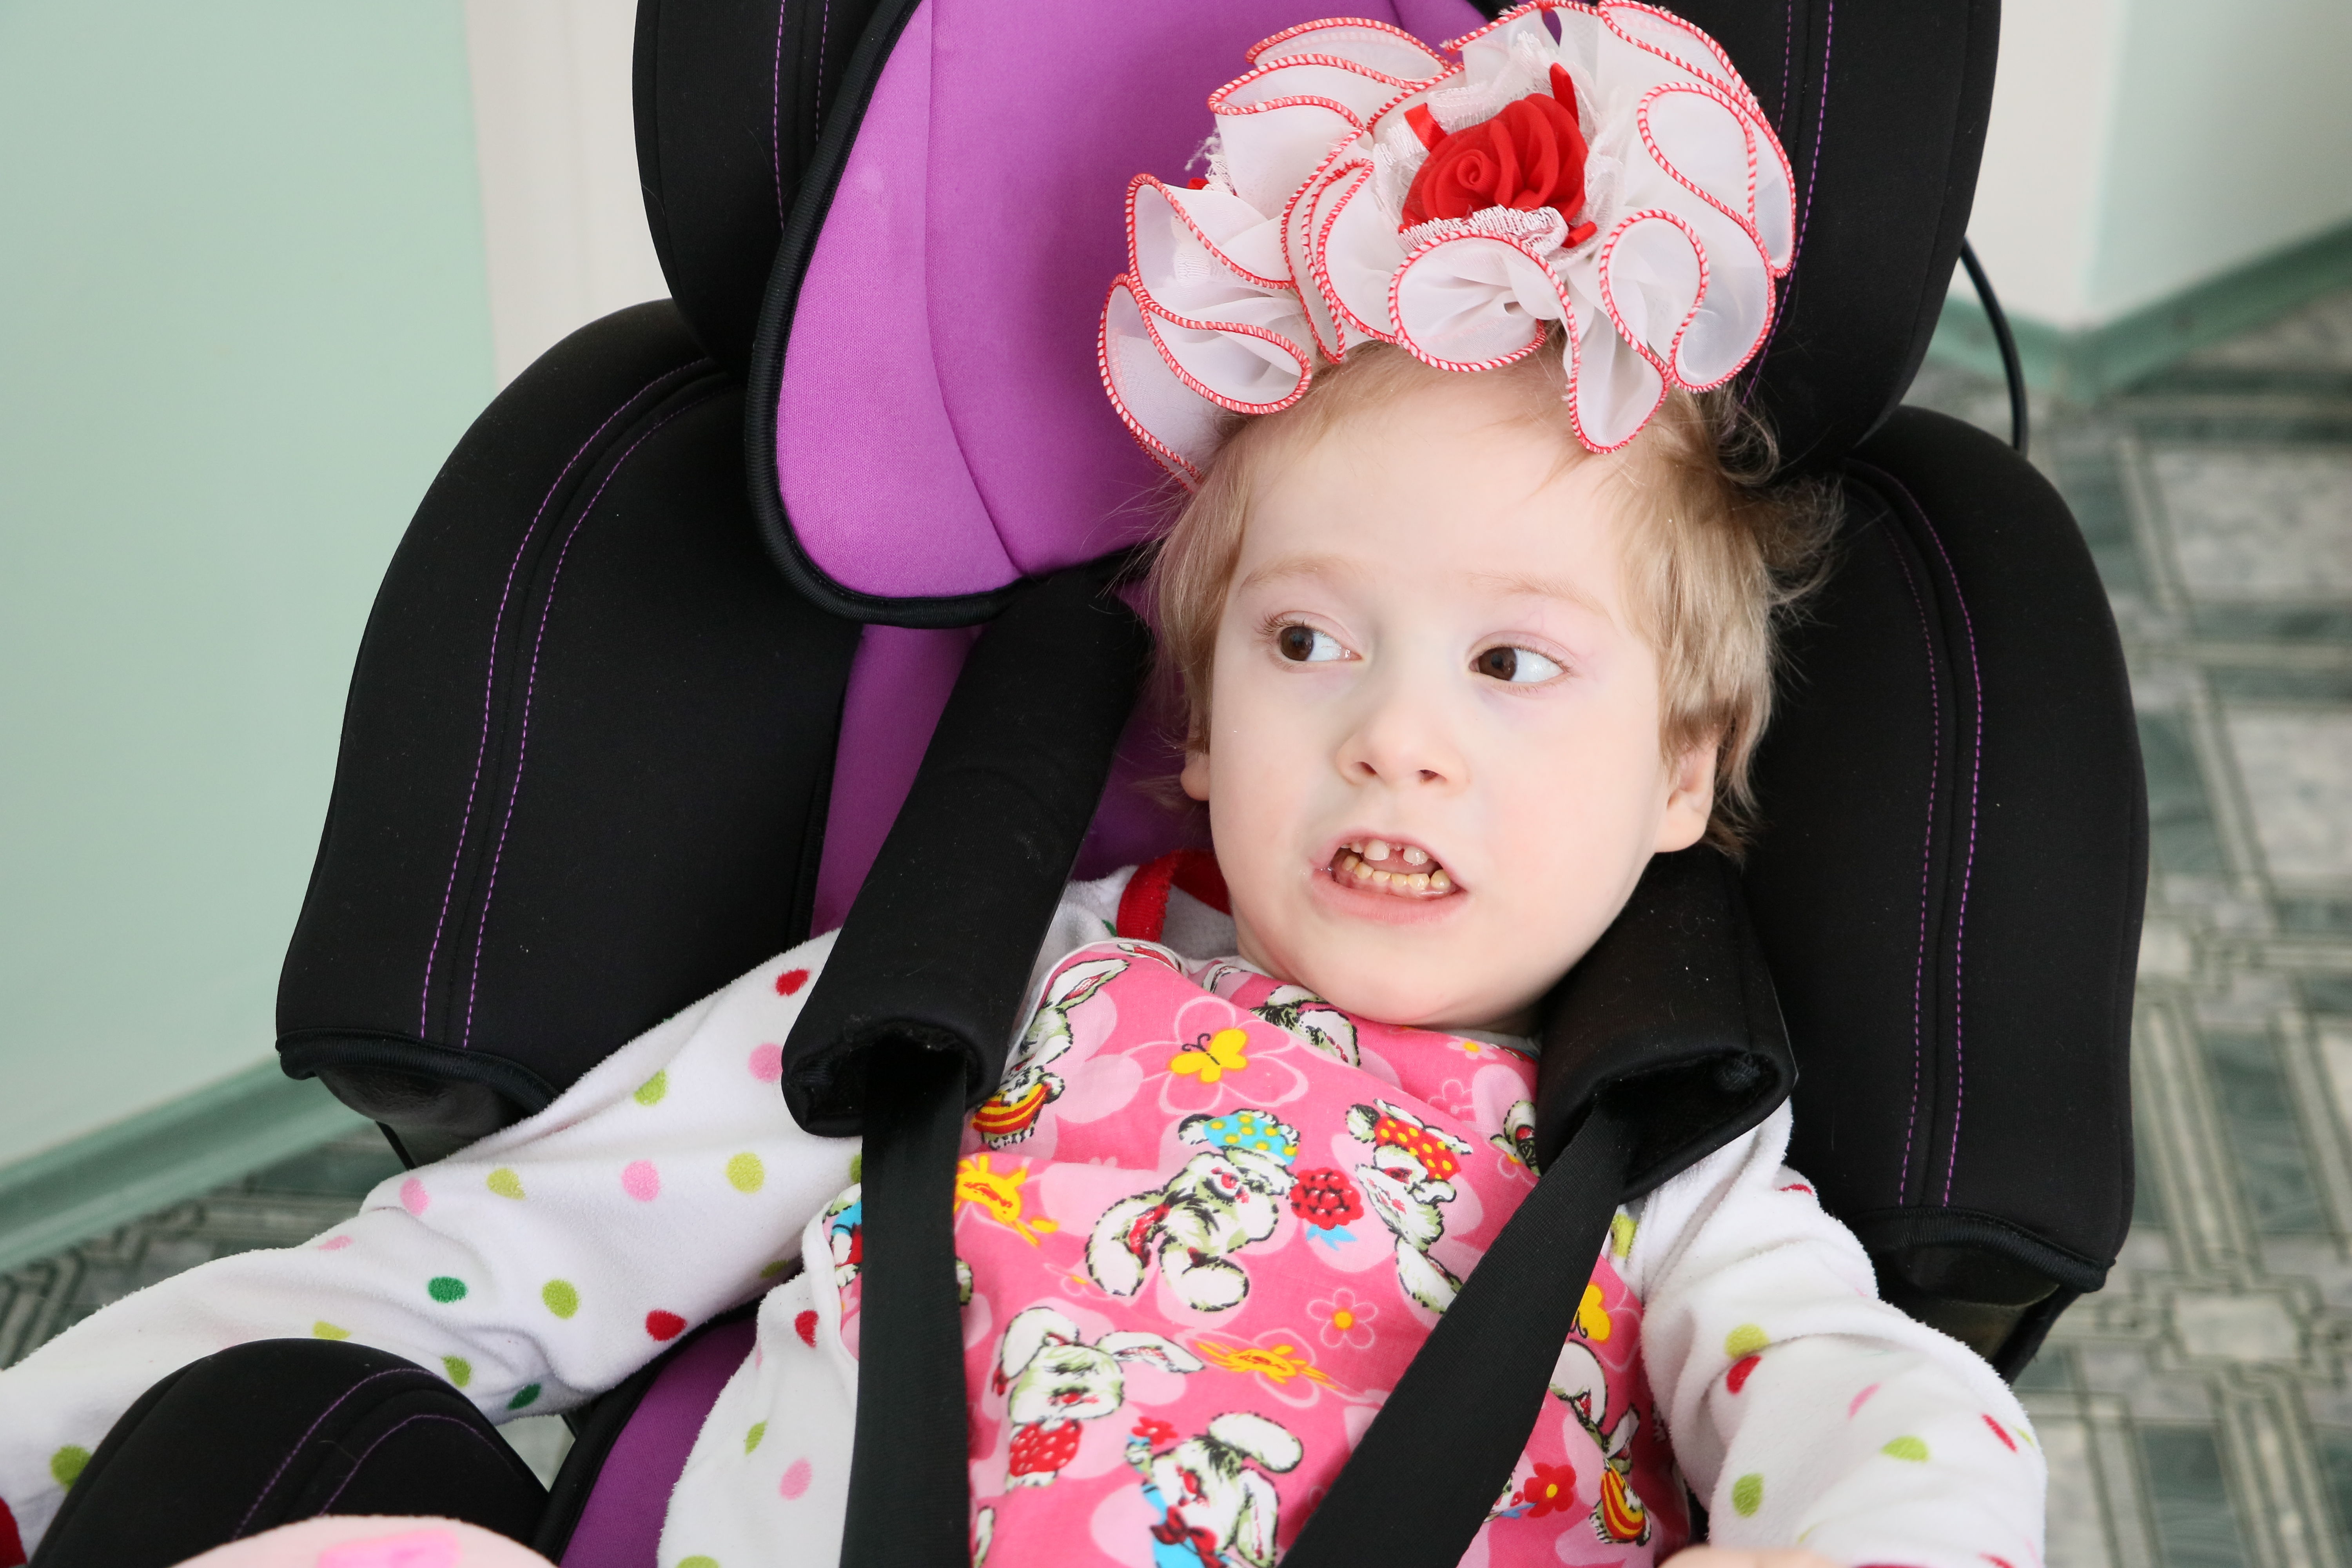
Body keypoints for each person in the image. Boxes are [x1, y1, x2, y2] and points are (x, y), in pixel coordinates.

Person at [0, 10, 2045, 1568]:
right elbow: (492, 1251)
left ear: (1683, 769)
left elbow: (1885, 1422)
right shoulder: (974, 984)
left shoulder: (1672, 1149)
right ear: (1198, 721)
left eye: (1512, 665)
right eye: (1305, 642)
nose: (1392, 738)